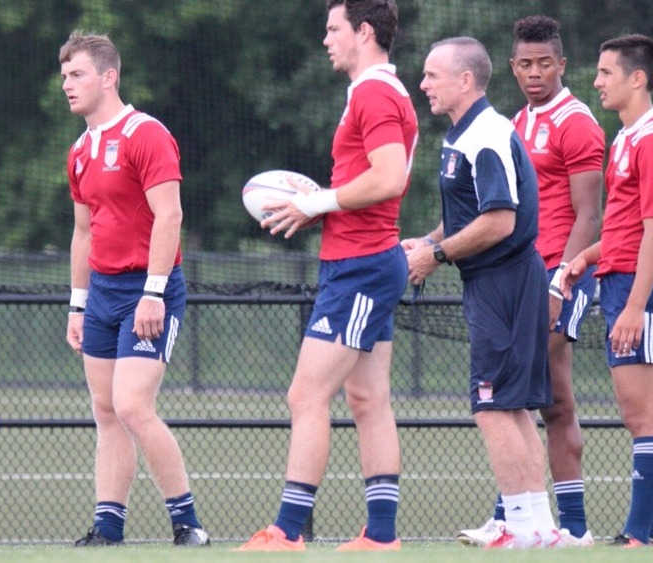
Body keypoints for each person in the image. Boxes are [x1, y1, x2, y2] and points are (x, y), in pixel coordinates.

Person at [237, 0, 418, 552]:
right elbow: (378, 178)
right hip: (364, 260)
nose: (325, 40)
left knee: (306, 395)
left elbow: (389, 178)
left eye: (333, 29)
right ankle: (381, 536)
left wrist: (320, 202)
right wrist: (323, 205)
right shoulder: (379, 92)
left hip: (361, 267)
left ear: (363, 32)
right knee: (368, 399)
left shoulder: (374, 92)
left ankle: (288, 531)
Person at [404, 36, 559, 549]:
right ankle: (538, 528)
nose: (423, 84)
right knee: (511, 406)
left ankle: (518, 525)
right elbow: (467, 214)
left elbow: (498, 220)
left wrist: (437, 256)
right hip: (497, 282)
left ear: (465, 80)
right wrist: (428, 241)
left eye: (432, 75)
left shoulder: (486, 134)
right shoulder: (463, 134)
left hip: (505, 282)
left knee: (491, 405)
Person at [456, 15, 602, 548]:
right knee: (540, 398)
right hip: (521, 277)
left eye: (545, 63)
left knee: (529, 395)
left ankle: (545, 523)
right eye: (525, 64)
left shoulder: (578, 122)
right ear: (512, 66)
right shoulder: (514, 122)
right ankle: (544, 524)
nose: (535, 73)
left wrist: (559, 282)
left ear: (562, 64)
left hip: (559, 277)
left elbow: (589, 217)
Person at [59, 30, 210, 548]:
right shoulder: (80, 150)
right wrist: (77, 306)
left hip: (150, 290)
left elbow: (171, 215)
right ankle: (108, 528)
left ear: (109, 77)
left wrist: (153, 292)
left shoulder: (146, 134)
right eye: (63, 76)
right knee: (106, 411)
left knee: (131, 405)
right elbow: (83, 233)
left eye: (77, 74)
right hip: (100, 293)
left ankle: (187, 523)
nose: (67, 85)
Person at [560, 33, 653, 547]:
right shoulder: (628, 139)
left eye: (606, 72)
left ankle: (638, 535)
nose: (596, 82)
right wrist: (583, 259)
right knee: (643, 412)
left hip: (641, 290)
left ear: (637, 79)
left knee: (639, 413)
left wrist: (635, 305)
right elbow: (623, 226)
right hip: (619, 283)